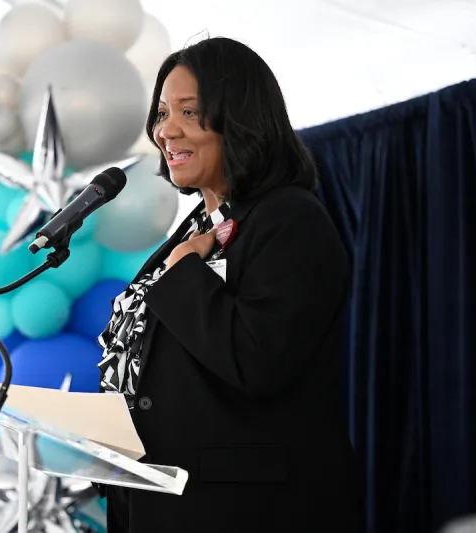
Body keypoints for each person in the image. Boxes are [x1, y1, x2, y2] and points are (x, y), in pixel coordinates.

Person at [96, 37, 364, 532]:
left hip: (250, 511)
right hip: (163, 498)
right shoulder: (198, 224)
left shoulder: (290, 220)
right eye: (161, 113)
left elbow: (255, 359)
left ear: (240, 119)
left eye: (190, 113)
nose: (165, 131)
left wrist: (182, 274)